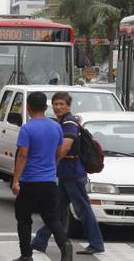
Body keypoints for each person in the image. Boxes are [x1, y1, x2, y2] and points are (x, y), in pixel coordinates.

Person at [32, 92, 105, 255]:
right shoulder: (62, 121)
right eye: (55, 104)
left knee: (83, 209)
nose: (58, 107)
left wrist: (51, 164)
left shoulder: (69, 122)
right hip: (66, 173)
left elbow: (65, 147)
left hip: (73, 173)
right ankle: (40, 240)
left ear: (68, 106)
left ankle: (96, 243)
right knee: (56, 210)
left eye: (61, 104)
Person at [12, 91, 73, 261]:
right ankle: (64, 243)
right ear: (46, 108)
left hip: (30, 181)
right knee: (51, 217)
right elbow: (59, 151)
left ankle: (26, 255)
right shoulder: (56, 127)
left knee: (24, 218)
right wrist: (51, 166)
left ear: (28, 108)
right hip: (49, 181)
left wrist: (16, 180)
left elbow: (23, 155)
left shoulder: (27, 128)